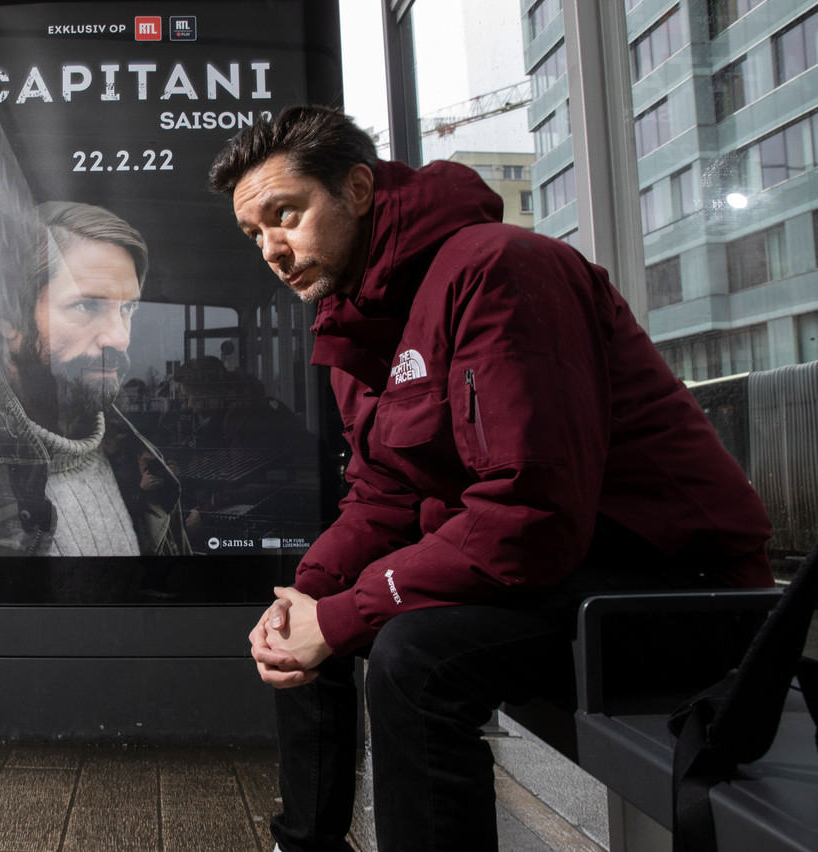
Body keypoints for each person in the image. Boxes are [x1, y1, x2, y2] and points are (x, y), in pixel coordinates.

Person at [207, 105, 774, 852]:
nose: (274, 250)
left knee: (413, 659)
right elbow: (384, 495)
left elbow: (530, 515)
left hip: (681, 590)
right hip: (570, 570)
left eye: (287, 214)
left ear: (357, 188)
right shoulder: (359, 326)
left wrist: (348, 614)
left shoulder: (498, 269)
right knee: (307, 619)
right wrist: (311, 596)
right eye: (256, 235)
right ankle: (305, 844)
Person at [0, 201, 189, 560]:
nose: (120, 337)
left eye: (127, 309)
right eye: (86, 307)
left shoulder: (137, 459)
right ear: (8, 319)